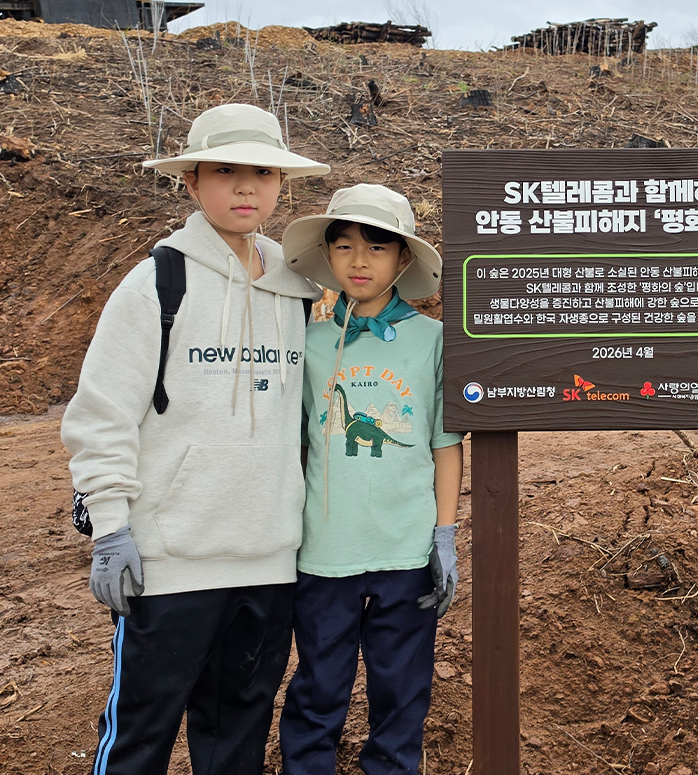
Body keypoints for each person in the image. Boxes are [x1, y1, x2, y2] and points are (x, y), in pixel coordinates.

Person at [62, 103, 329, 775]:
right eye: (226, 171)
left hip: (269, 560)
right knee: (140, 737)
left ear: (280, 184)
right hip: (171, 559)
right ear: (191, 182)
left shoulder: (298, 289)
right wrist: (113, 528)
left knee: (236, 736)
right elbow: (102, 415)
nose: (246, 188)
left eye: (262, 173)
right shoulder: (157, 283)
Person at [277, 183, 465, 775]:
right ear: (327, 255)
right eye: (345, 246)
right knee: (319, 679)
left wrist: (443, 534)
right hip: (323, 549)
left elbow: (444, 444)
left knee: (401, 683)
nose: (360, 261)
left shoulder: (434, 342)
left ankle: (392, 766)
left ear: (402, 259)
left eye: (378, 247)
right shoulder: (305, 344)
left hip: (405, 548)